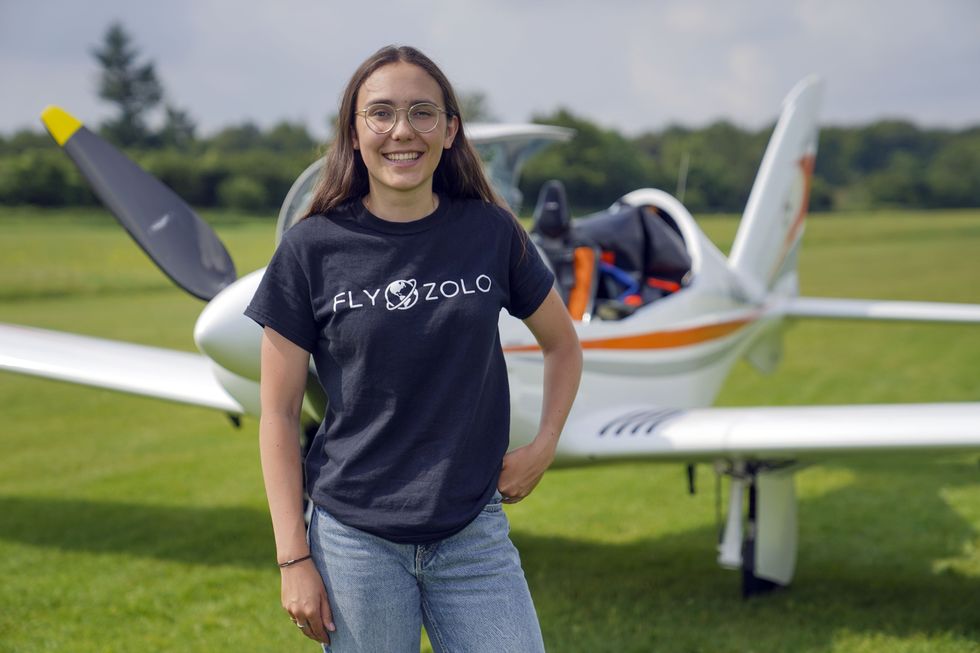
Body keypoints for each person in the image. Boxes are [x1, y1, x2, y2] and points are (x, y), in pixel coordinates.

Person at [244, 44, 582, 652]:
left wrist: (544, 445)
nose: (402, 131)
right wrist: (293, 557)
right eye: (381, 113)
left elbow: (563, 346)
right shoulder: (309, 249)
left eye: (422, 112)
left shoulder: (491, 231)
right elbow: (278, 413)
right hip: (354, 543)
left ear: (450, 131)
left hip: (473, 534)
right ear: (354, 132)